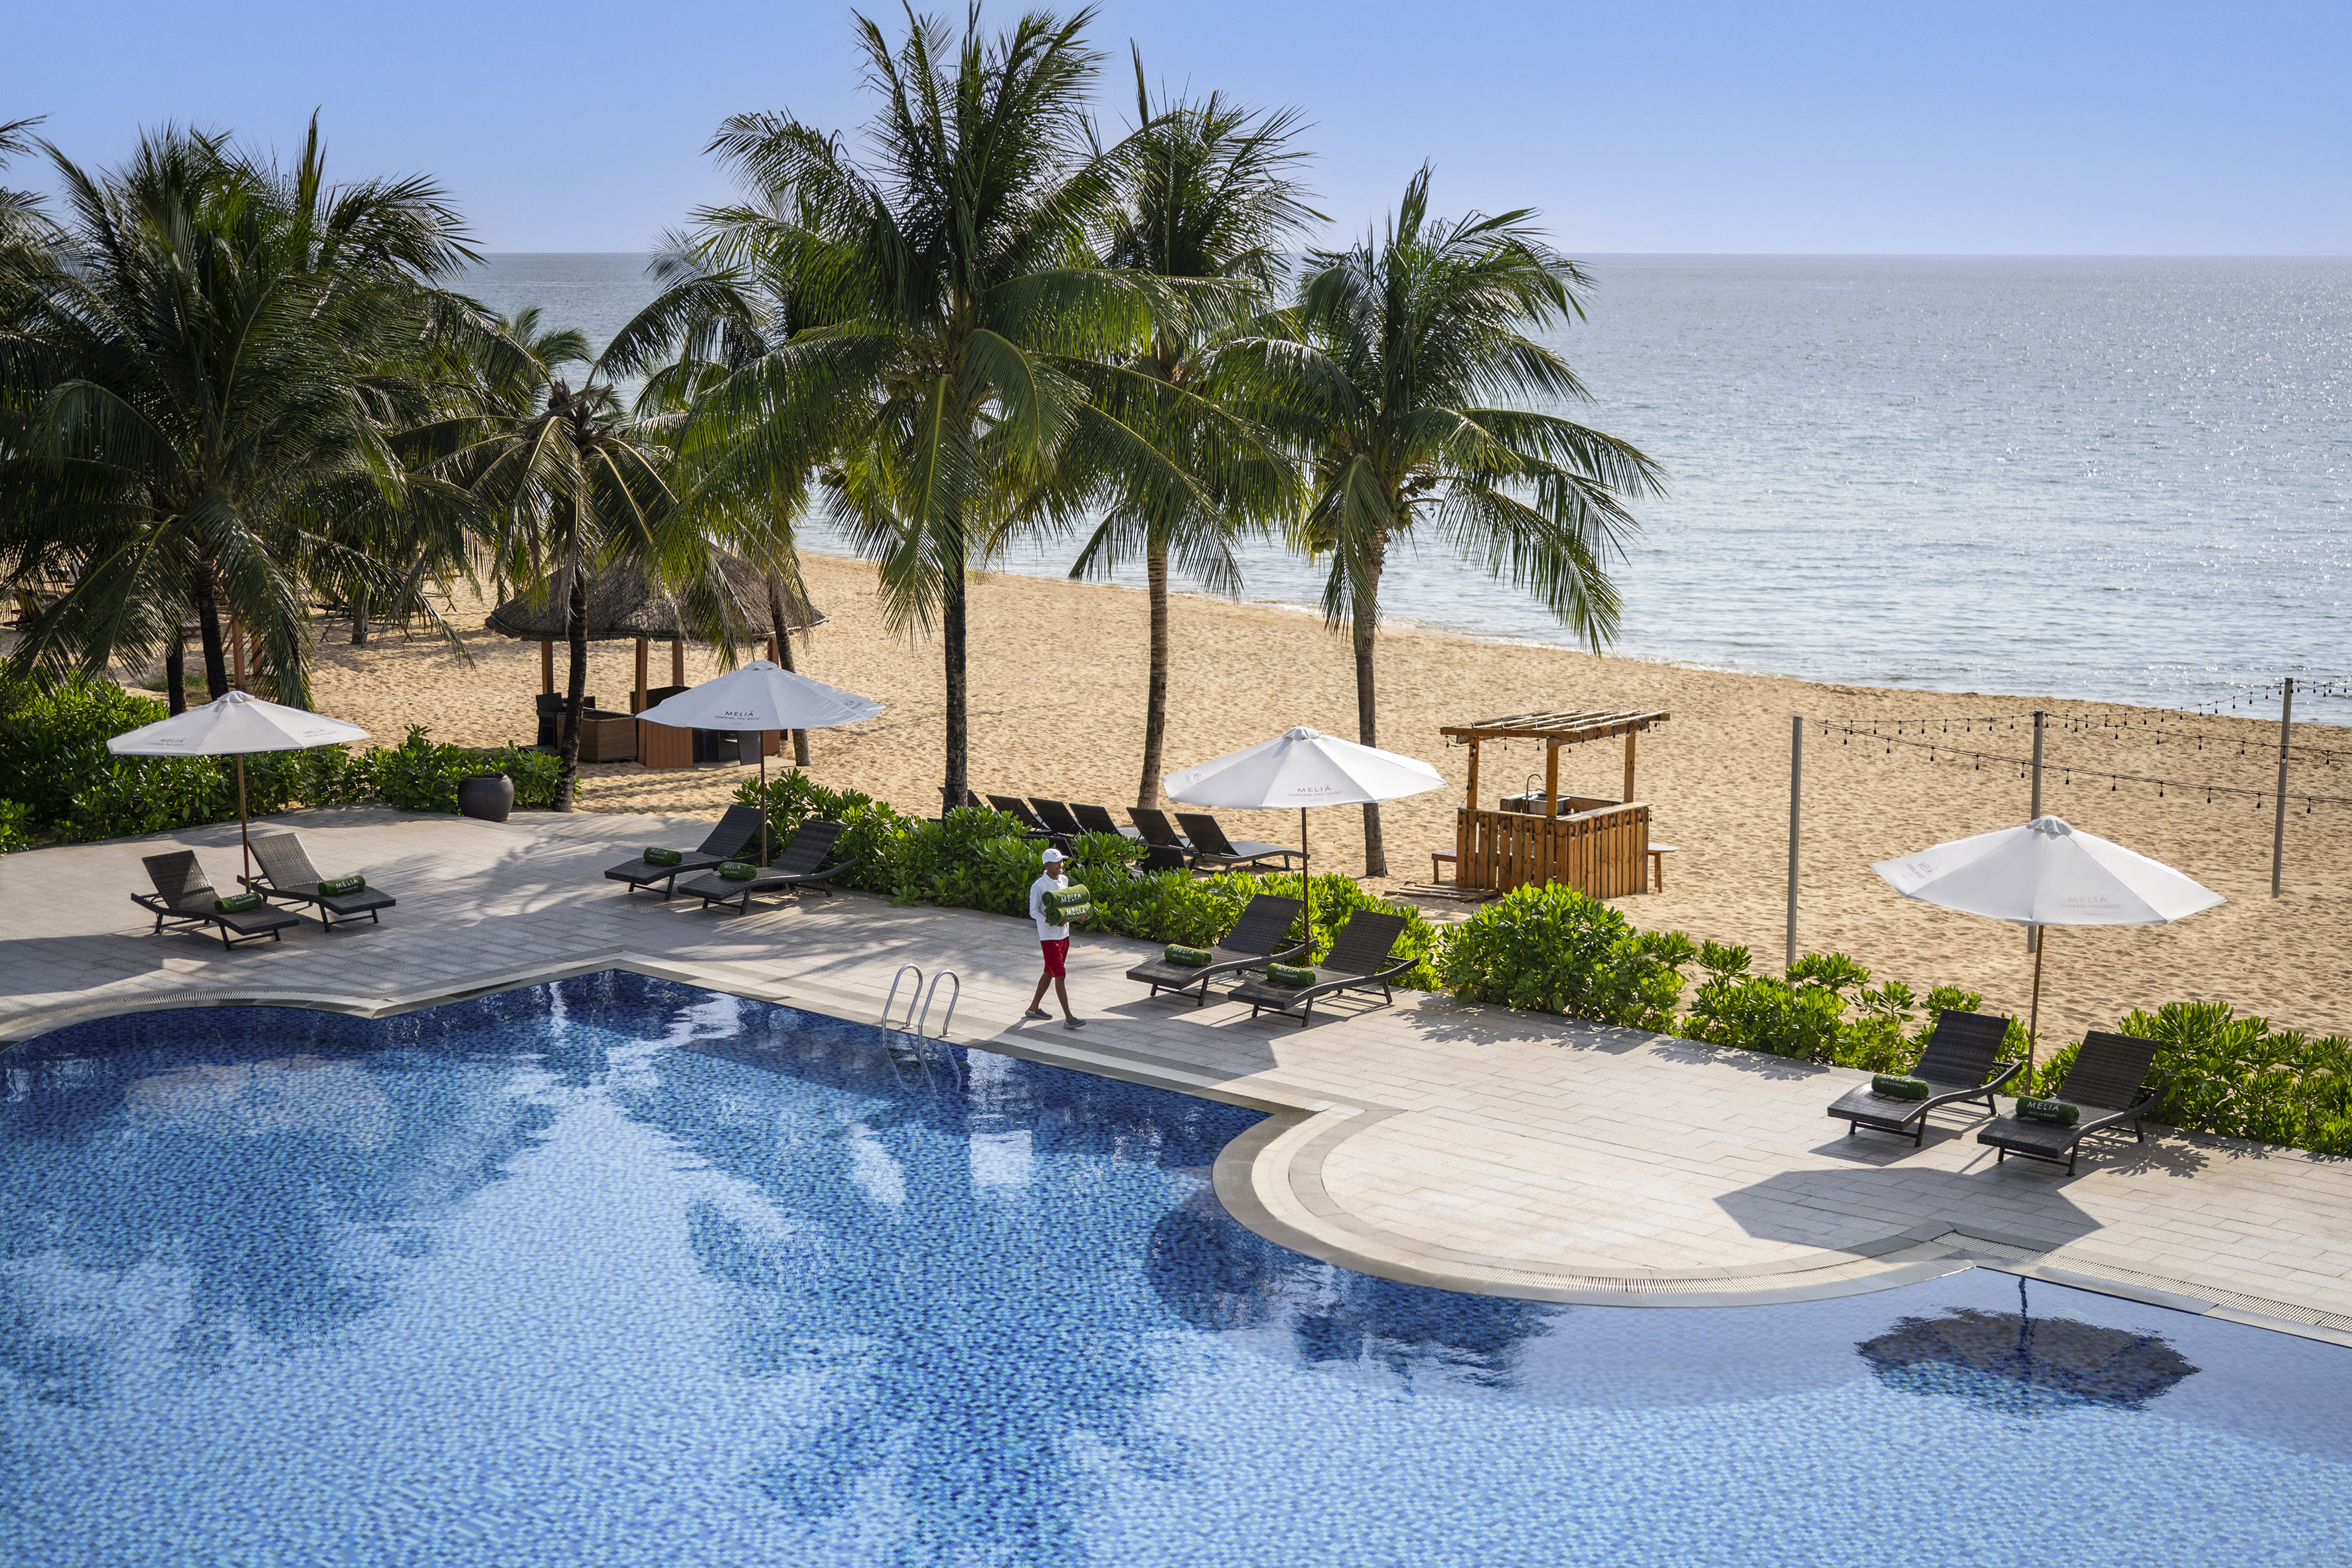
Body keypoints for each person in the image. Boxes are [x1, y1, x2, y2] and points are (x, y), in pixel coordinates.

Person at [1025, 847, 1085, 1029]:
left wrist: (1079, 916)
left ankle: (1033, 1009)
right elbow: (1033, 912)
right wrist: (1049, 920)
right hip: (1048, 938)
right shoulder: (1038, 886)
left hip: (1064, 935)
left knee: (1049, 972)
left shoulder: (1064, 880)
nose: (1062, 864)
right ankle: (1069, 1018)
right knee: (1060, 974)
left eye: (1062, 861)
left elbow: (1067, 905)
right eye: (1058, 862)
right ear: (1047, 865)